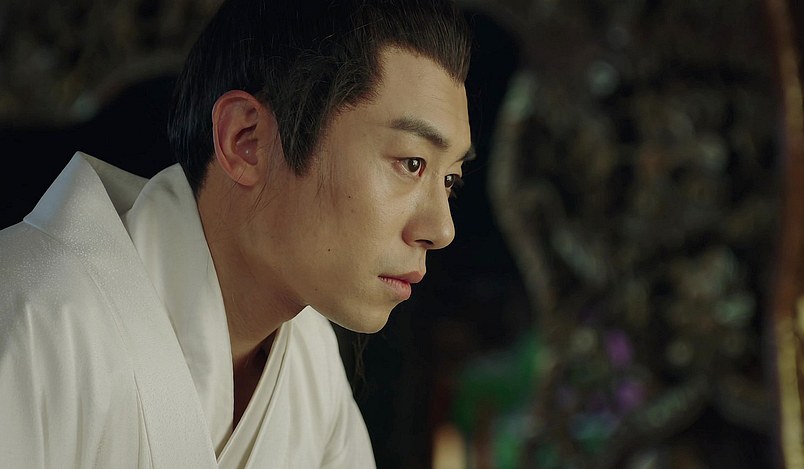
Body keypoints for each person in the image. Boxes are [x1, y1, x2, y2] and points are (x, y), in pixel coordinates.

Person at [0, 0, 473, 467]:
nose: (442, 229)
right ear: (247, 140)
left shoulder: (310, 358)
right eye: (412, 163)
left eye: (450, 180)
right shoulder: (35, 318)